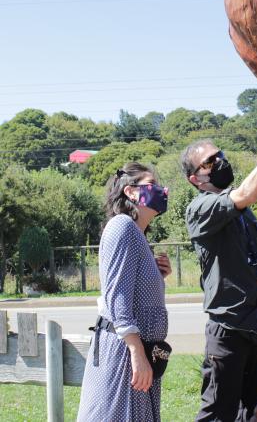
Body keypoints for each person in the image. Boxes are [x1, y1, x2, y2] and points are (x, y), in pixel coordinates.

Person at [181, 117, 257, 422]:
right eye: (210, 161)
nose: (220, 161)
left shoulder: (243, 213)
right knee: (218, 414)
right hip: (228, 329)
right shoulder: (201, 208)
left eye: (221, 155)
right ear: (195, 178)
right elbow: (246, 192)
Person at [78, 162, 172, 422]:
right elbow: (117, 297)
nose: (162, 190)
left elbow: (132, 291)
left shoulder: (137, 235)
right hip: (125, 353)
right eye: (153, 185)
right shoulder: (123, 227)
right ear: (131, 192)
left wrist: (155, 275)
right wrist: (136, 352)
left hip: (136, 351)